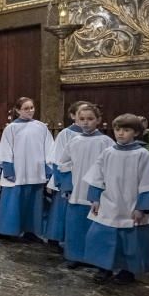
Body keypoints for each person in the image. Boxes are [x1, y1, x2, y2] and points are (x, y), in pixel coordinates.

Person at [83, 114, 149, 285]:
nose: (120, 133)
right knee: (103, 237)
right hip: (109, 201)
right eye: (118, 129)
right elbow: (97, 176)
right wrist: (95, 198)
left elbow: (148, 182)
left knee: (131, 239)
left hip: (132, 203)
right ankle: (104, 268)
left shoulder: (142, 154)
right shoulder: (108, 152)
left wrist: (142, 207)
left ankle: (127, 271)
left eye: (126, 130)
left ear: (136, 133)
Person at [57, 104, 114, 269]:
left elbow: (110, 167)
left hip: (97, 193)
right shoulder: (74, 141)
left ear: (98, 120)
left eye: (90, 119)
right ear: (76, 119)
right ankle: (75, 255)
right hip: (77, 190)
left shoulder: (106, 142)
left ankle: (95, 258)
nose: (86, 123)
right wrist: (67, 185)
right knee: (75, 225)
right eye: (82, 119)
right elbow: (64, 163)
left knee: (96, 227)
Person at [0, 97, 54, 239]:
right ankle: (9, 231)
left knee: (34, 202)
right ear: (18, 110)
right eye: (26, 108)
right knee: (13, 202)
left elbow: (50, 148)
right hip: (16, 171)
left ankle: (31, 230)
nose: (30, 111)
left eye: (32, 107)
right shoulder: (11, 128)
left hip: (35, 170)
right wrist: (8, 169)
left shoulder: (41, 127)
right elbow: (5, 149)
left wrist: (48, 168)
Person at [44, 100, 91, 245]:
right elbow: (58, 158)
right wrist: (62, 181)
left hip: (86, 179)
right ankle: (58, 237)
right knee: (62, 209)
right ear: (73, 116)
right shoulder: (66, 134)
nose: (85, 120)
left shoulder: (96, 138)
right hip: (67, 179)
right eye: (80, 115)